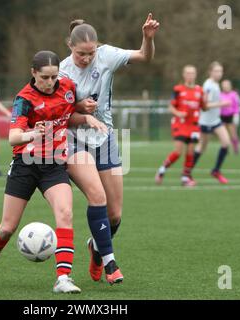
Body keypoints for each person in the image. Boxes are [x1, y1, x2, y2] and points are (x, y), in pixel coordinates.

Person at [0, 51, 107, 294]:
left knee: (65, 213)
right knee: (7, 227)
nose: (50, 82)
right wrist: (33, 134)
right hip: (25, 164)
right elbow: (13, 138)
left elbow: (68, 115)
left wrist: (86, 118)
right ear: (33, 73)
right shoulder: (24, 99)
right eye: (45, 77)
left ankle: (63, 278)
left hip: (54, 165)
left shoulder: (66, 86)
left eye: (54, 76)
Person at [59, 13, 160, 283]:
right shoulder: (61, 71)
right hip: (74, 140)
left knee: (115, 214)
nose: (87, 58)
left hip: (104, 138)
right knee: (97, 196)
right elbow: (56, 115)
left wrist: (147, 39)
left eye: (91, 53)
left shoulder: (107, 55)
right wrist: (79, 108)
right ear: (70, 46)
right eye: (81, 54)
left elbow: (144, 56)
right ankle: (110, 262)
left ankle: (96, 247)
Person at [155, 65, 206, 187]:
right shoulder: (178, 89)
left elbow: (204, 107)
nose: (190, 75)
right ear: (184, 75)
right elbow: (171, 106)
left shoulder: (200, 90)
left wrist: (212, 102)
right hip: (180, 125)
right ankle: (162, 170)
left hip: (194, 125)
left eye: (192, 73)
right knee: (178, 152)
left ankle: (185, 177)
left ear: (195, 75)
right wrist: (178, 113)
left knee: (190, 152)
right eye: (188, 73)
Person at [193, 61, 231, 184]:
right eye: (216, 71)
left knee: (226, 143)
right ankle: (187, 172)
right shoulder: (208, 86)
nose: (219, 73)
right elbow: (205, 105)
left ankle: (216, 170)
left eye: (220, 71)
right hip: (206, 122)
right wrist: (222, 103)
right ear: (210, 72)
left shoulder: (216, 84)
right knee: (202, 147)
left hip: (215, 121)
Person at [220, 79, 240, 154]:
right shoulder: (220, 94)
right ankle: (226, 149)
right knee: (224, 134)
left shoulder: (234, 94)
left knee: (233, 133)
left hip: (231, 116)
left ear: (230, 86)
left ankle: (236, 148)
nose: (225, 86)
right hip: (222, 116)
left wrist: (236, 115)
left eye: (227, 85)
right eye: (224, 85)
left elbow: (237, 106)